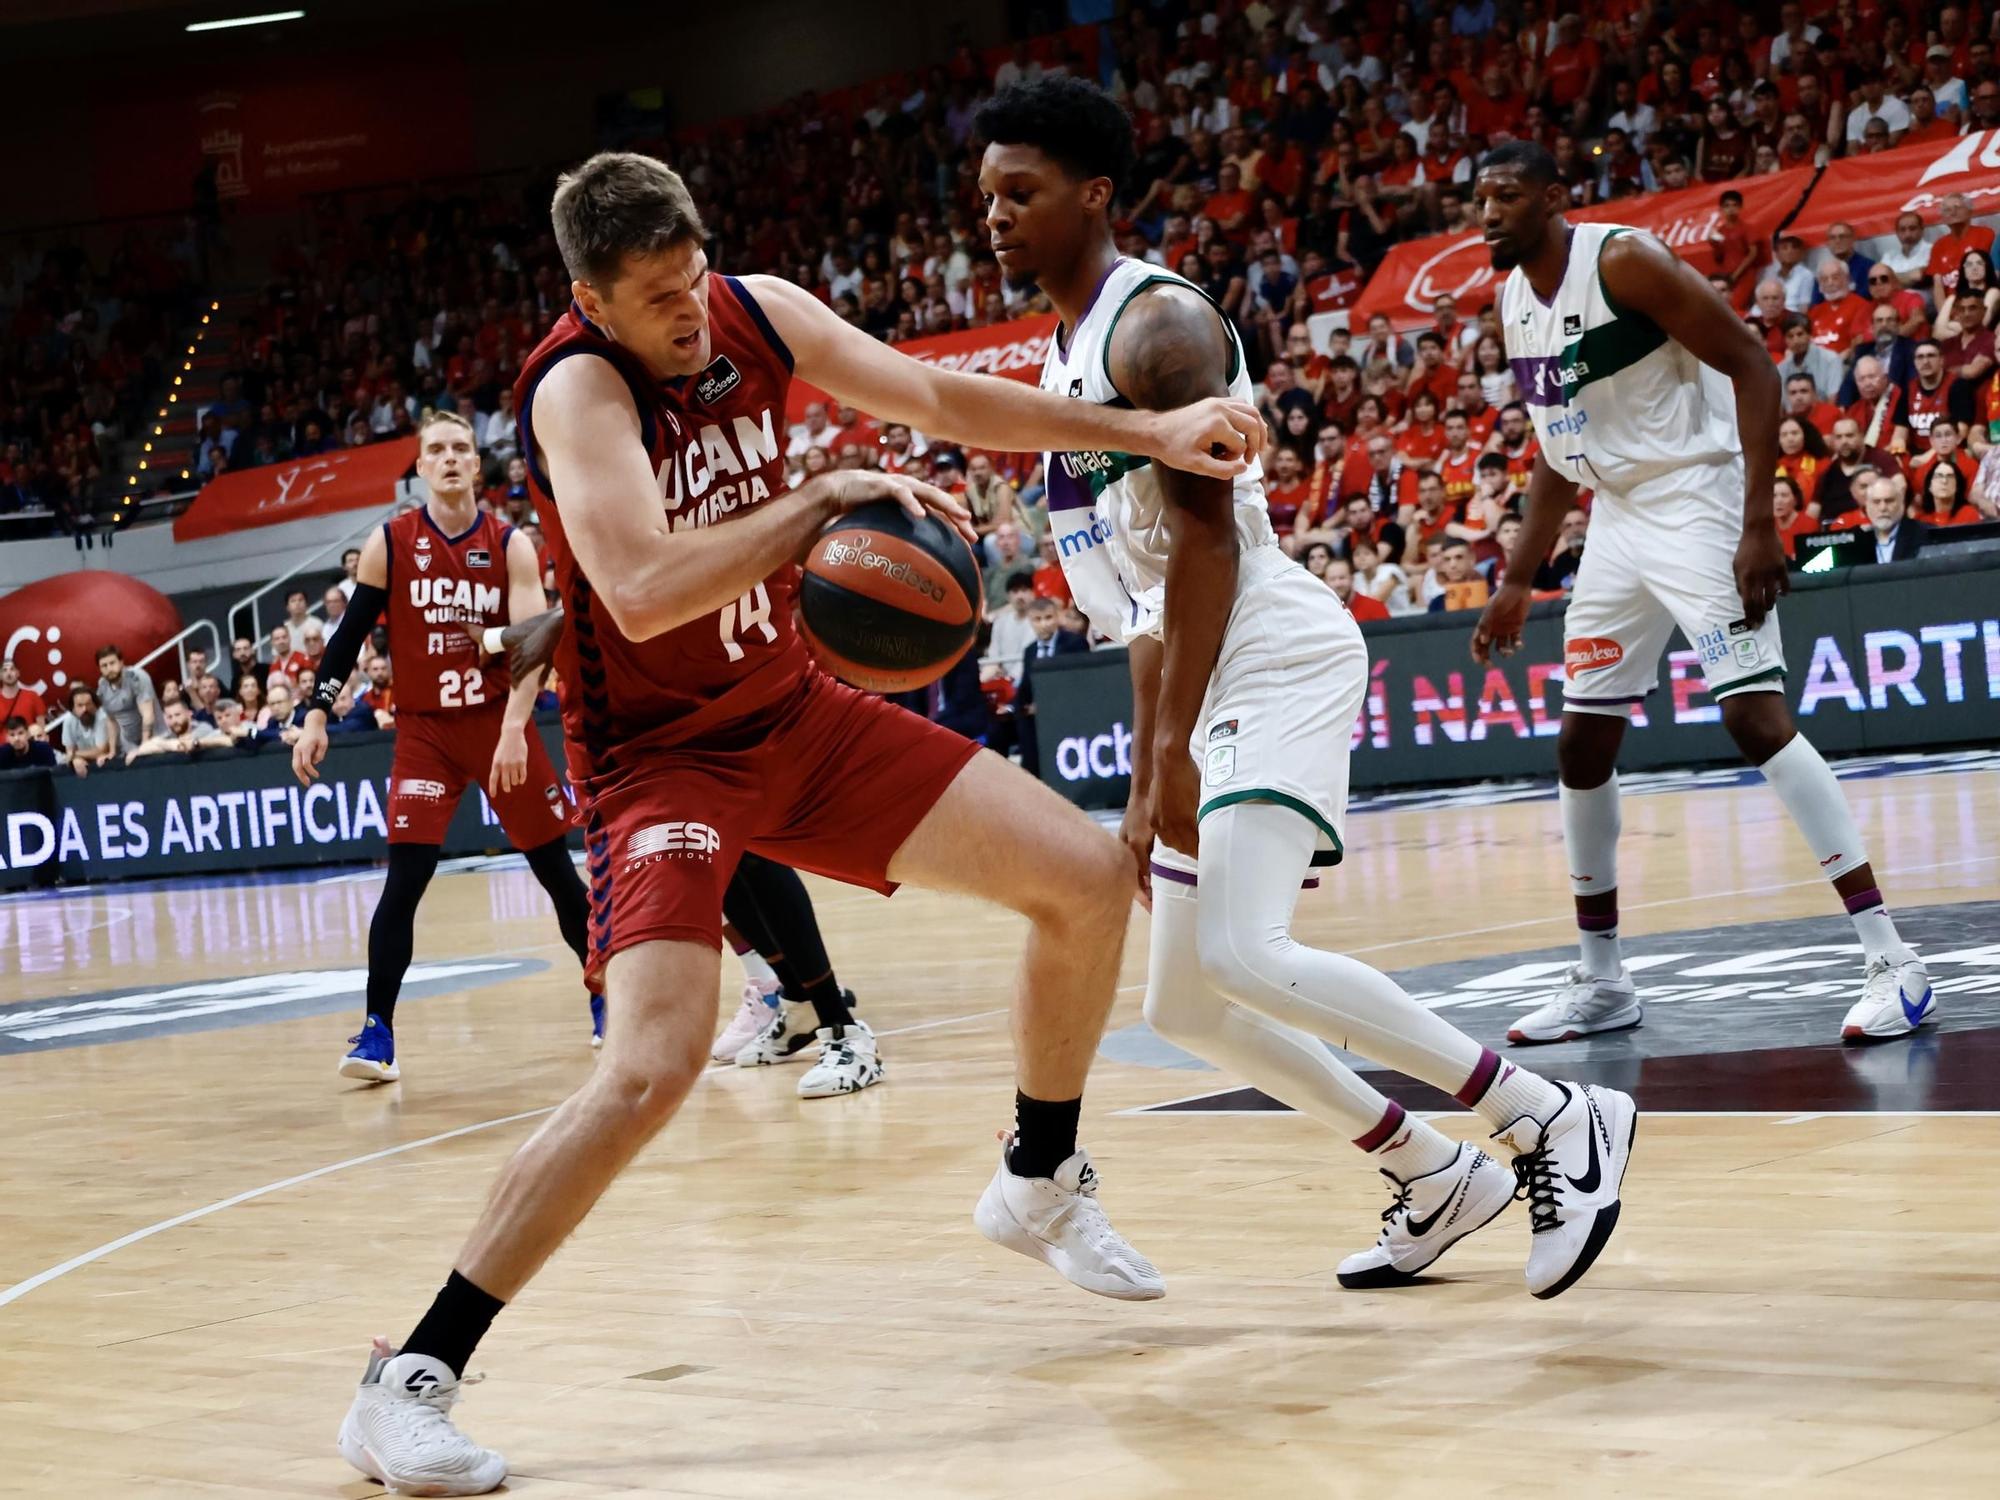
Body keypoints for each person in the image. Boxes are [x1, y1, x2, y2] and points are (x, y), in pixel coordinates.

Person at [334, 144, 1272, 1494]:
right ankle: (407, 1381)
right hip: (663, 765)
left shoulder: (755, 309)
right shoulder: (576, 392)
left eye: (693, 272)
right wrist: (817, 501)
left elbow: (939, 392)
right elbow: (644, 589)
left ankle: (1040, 1177)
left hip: (794, 714)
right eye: (654, 294)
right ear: (589, 299)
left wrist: (1150, 433)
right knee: (652, 1068)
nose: (686, 308)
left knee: (1080, 877)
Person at [1004, 75, 1626, 1319]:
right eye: (983, 202)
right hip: (1195, 663)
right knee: (1186, 999)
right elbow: (1135, 600)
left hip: (1268, 650)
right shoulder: (1061, 361)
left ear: (1094, 196)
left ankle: (1551, 1114)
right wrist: (1142, 779)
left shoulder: (1158, 329)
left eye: (1019, 195)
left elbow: (1209, 548)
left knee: (1242, 950)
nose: (995, 220)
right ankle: (1429, 1171)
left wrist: (1173, 743)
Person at [1469, 142, 1931, 1053]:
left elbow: (1754, 366)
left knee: (1756, 721)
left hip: (1700, 499)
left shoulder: (1624, 261)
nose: (1488, 212)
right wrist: (1519, 575)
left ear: (1555, 198)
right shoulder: (1513, 299)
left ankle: (1894, 960)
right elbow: (1560, 455)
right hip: (1617, 518)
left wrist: (1758, 522)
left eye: (1507, 196)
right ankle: (1603, 980)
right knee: (1581, 739)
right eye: (1479, 198)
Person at [293, 411, 601, 1088]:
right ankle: (378, 1033)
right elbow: (346, 640)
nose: (452, 457)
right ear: (422, 467)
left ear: (477, 464)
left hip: (496, 720)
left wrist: (517, 728)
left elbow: (532, 645)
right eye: (438, 449)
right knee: (404, 880)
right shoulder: (391, 541)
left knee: (554, 869)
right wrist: (316, 712)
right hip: (426, 733)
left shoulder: (511, 543)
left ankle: (604, 995)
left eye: (462, 447)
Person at [93, 646, 156, 753]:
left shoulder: (136, 677)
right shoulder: (102, 686)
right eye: (104, 666)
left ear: (121, 662)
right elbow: (111, 720)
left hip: (155, 736)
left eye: (112, 663)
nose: (109, 669)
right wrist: (112, 752)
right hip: (129, 743)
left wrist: (144, 745)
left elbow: (148, 714)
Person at [1860, 475, 1927, 562]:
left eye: (1889, 501)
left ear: (1901, 504)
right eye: (1876, 502)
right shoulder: (1858, 540)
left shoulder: (1924, 534)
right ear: (1867, 506)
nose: (1883, 508)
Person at [59, 684, 117, 774]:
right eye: (80, 705)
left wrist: (74, 754)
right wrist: (76, 759)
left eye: (88, 704)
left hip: (110, 764)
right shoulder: (68, 721)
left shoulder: (103, 716)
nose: (85, 709)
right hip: (88, 765)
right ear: (72, 709)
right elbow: (69, 750)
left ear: (96, 705)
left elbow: (101, 751)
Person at [0, 657, 47, 737]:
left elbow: (41, 729)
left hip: (29, 747)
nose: (9, 673)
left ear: (18, 673)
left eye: (12, 669)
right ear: (0, 675)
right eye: (4, 670)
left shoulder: (32, 696)